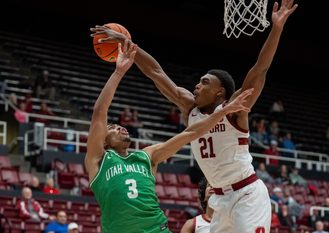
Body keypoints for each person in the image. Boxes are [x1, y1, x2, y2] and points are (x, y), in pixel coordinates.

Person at [91, 1, 297, 232]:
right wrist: (126, 43)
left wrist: (277, 28)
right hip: (219, 198)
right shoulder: (191, 109)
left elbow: (260, 69)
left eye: (204, 83)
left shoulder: (236, 108)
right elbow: (156, 73)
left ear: (220, 92)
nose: (197, 86)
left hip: (246, 193)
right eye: (198, 81)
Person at [85, 41, 253, 232]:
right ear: (103, 141)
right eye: (113, 128)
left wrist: (223, 112)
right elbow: (100, 111)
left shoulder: (147, 156)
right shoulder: (98, 160)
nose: (120, 128)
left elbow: (191, 133)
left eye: (120, 125)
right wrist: (118, 72)